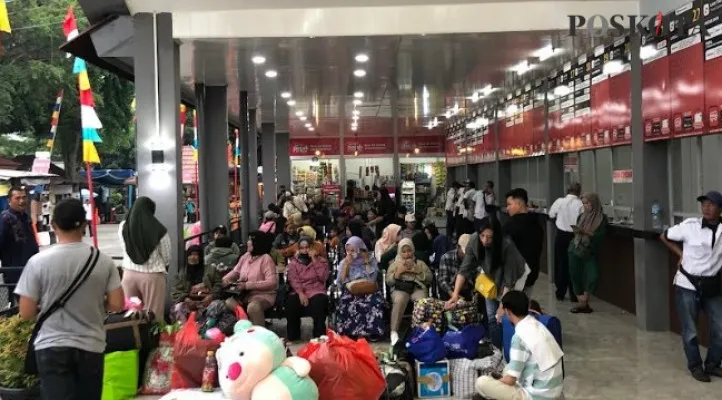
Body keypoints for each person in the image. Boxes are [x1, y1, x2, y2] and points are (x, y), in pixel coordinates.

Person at [15, 198, 124, 400]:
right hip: (91, 346)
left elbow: (26, 312)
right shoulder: (103, 261)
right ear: (84, 225)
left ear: (53, 225)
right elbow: (118, 304)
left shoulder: (37, 262)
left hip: (51, 347)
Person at [661, 190, 722, 382]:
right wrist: (680, 254)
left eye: (711, 204)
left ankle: (712, 365)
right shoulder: (690, 226)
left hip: (712, 285)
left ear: (720, 209)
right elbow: (664, 236)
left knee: (720, 327)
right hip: (687, 284)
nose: (706, 207)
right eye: (704, 204)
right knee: (690, 330)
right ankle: (695, 366)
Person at [446, 217, 529, 348]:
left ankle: (513, 349)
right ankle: (497, 350)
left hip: (515, 276)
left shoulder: (506, 245)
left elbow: (509, 281)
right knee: (492, 316)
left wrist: (503, 305)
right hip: (491, 276)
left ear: (496, 236)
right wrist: (455, 294)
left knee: (509, 316)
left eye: (489, 237)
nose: (485, 240)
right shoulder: (474, 240)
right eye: (482, 236)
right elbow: (464, 270)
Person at [475, 291, 564, 400]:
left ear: (508, 312)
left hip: (538, 396)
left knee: (481, 383)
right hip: (554, 389)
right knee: (508, 368)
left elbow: (510, 381)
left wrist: (497, 382)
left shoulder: (520, 337)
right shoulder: (539, 325)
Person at [119, 196, 171, 321]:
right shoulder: (160, 230)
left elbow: (124, 247)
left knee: (130, 312)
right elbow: (166, 256)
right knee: (152, 314)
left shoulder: (123, 226)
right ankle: (151, 339)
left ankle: (131, 338)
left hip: (128, 274)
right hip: (152, 276)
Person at [335, 236, 386, 339]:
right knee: (346, 302)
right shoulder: (344, 262)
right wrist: (346, 266)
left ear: (359, 248)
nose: (350, 253)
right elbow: (340, 282)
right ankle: (350, 332)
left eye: (353, 250)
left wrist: (366, 261)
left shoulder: (370, 259)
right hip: (351, 289)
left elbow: (373, 278)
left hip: (368, 288)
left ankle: (373, 333)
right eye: (347, 250)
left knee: (373, 301)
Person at [223, 231, 278, 326]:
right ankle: (246, 324)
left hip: (262, 295)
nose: (247, 242)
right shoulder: (246, 256)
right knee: (228, 303)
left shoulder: (266, 259)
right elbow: (236, 272)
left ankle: (260, 334)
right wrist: (225, 279)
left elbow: (272, 282)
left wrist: (247, 285)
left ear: (257, 243)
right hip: (244, 295)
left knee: (253, 307)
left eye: (250, 240)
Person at [386, 237, 433, 345]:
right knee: (399, 300)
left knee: (422, 300)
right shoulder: (394, 263)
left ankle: (421, 330)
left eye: (409, 251)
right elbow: (388, 281)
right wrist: (397, 273)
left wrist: (418, 271)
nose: (407, 254)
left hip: (416, 287)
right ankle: (394, 332)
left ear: (413, 250)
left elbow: (430, 278)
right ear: (399, 252)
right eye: (404, 251)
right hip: (400, 288)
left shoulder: (419, 263)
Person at [568, 192, 608, 314]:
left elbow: (600, 236)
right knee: (575, 274)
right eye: (584, 203)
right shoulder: (581, 216)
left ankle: (585, 297)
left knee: (592, 275)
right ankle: (581, 302)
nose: (585, 206)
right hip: (575, 248)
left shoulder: (601, 218)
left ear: (594, 203)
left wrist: (588, 233)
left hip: (590, 250)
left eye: (588, 203)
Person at [286, 236, 330, 343]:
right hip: (299, 290)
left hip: (316, 289)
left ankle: (319, 336)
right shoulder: (294, 263)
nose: (305, 250)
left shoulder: (321, 261)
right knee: (291, 303)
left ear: (312, 248)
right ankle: (294, 336)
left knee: (319, 301)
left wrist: (315, 260)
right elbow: (293, 279)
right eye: (302, 248)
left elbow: (323, 277)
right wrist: (300, 293)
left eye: (307, 248)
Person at [503, 188, 544, 296]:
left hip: (514, 277)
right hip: (531, 274)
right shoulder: (537, 225)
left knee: (507, 309)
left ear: (519, 204)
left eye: (509, 204)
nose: (507, 208)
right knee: (524, 307)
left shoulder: (510, 226)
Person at [549, 183, 584, 302]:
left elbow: (551, 214)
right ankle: (574, 294)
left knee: (561, 263)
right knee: (574, 265)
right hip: (575, 236)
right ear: (579, 191)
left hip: (561, 235)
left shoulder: (559, 201)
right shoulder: (580, 204)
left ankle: (560, 292)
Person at [0, 187, 39, 283]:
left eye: (24, 197)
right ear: (9, 200)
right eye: (17, 198)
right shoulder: (5, 218)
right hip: (14, 272)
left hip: (30, 268)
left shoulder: (25, 217)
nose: (22, 201)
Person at [170, 245, 210, 322]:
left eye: (195, 254)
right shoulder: (182, 273)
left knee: (215, 307)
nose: (192, 257)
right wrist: (186, 299)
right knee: (177, 308)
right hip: (188, 302)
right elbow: (175, 291)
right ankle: (184, 331)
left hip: (205, 302)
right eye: (190, 255)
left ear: (200, 256)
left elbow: (217, 286)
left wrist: (211, 296)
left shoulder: (210, 270)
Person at [437, 234, 471, 301]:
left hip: (467, 288)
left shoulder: (473, 258)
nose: (466, 255)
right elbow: (442, 280)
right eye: (464, 253)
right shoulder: (446, 257)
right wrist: (452, 294)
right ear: (458, 247)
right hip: (449, 288)